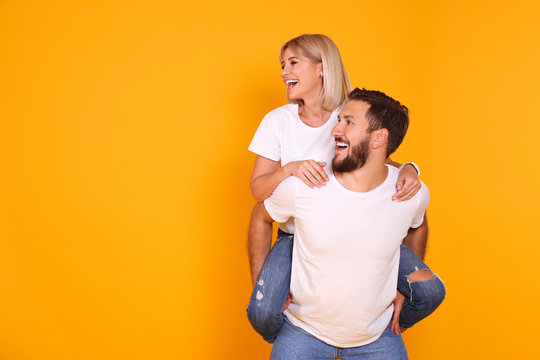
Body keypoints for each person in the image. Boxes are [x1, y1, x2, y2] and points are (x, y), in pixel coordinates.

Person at [247, 34, 445, 343]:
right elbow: (258, 191)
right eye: (282, 65)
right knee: (261, 313)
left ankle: (385, 328)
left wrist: (411, 168)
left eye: (294, 63)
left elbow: (382, 155)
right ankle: (302, 335)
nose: (284, 71)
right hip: (296, 233)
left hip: (353, 228)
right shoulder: (277, 121)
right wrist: (290, 168)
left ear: (322, 68)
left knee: (430, 290)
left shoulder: (348, 114)